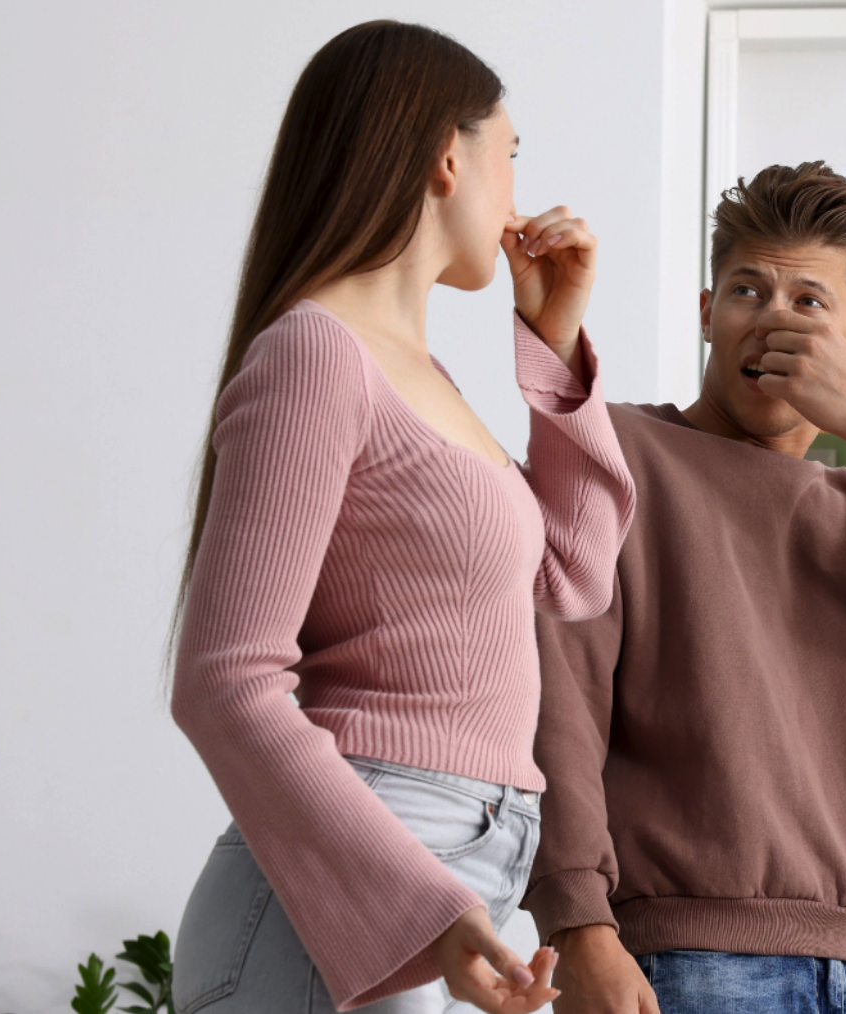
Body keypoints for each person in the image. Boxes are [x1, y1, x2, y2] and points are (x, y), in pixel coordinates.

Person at [168, 21, 635, 1014]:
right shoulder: (315, 355)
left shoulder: (424, 376)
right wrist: (424, 905)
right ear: (447, 155)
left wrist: (553, 344)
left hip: (438, 863)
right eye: (511, 157)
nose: (516, 191)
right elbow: (223, 683)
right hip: (358, 871)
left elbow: (573, 574)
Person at [522, 162, 846, 1014]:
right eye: (748, 291)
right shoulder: (620, 454)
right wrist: (579, 927)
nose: (774, 323)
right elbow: (556, 702)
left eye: (810, 304)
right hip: (685, 963)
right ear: (706, 313)